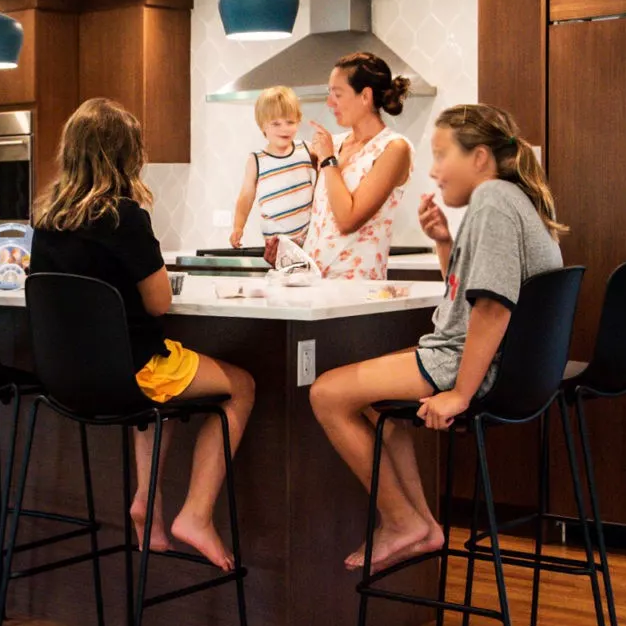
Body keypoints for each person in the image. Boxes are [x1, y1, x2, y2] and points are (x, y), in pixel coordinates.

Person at [308, 104, 566, 572]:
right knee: (374, 398)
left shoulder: (493, 201)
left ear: (481, 157)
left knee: (326, 394)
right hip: (507, 366)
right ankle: (421, 524)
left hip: (473, 366)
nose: (433, 169)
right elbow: (472, 299)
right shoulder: (513, 200)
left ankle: (403, 520)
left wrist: (460, 394)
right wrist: (445, 244)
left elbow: (491, 309)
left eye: (443, 154)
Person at [30, 98, 256, 571]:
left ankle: (146, 506)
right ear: (127, 155)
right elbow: (158, 303)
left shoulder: (47, 220)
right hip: (133, 372)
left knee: (160, 403)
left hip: (67, 378)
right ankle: (195, 514)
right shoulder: (125, 216)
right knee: (241, 386)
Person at [303, 52, 413, 279]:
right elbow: (324, 217)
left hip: (357, 287)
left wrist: (328, 161)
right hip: (312, 281)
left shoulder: (393, 148)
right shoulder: (335, 144)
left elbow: (348, 220)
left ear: (365, 96)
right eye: (329, 93)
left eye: (337, 94)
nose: (329, 102)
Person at [230, 85, 316, 247]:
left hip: (309, 240)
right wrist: (238, 226)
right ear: (262, 125)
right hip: (276, 245)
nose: (284, 128)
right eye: (276, 124)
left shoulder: (307, 149)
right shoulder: (256, 160)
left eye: (290, 122)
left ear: (298, 121)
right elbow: (246, 197)